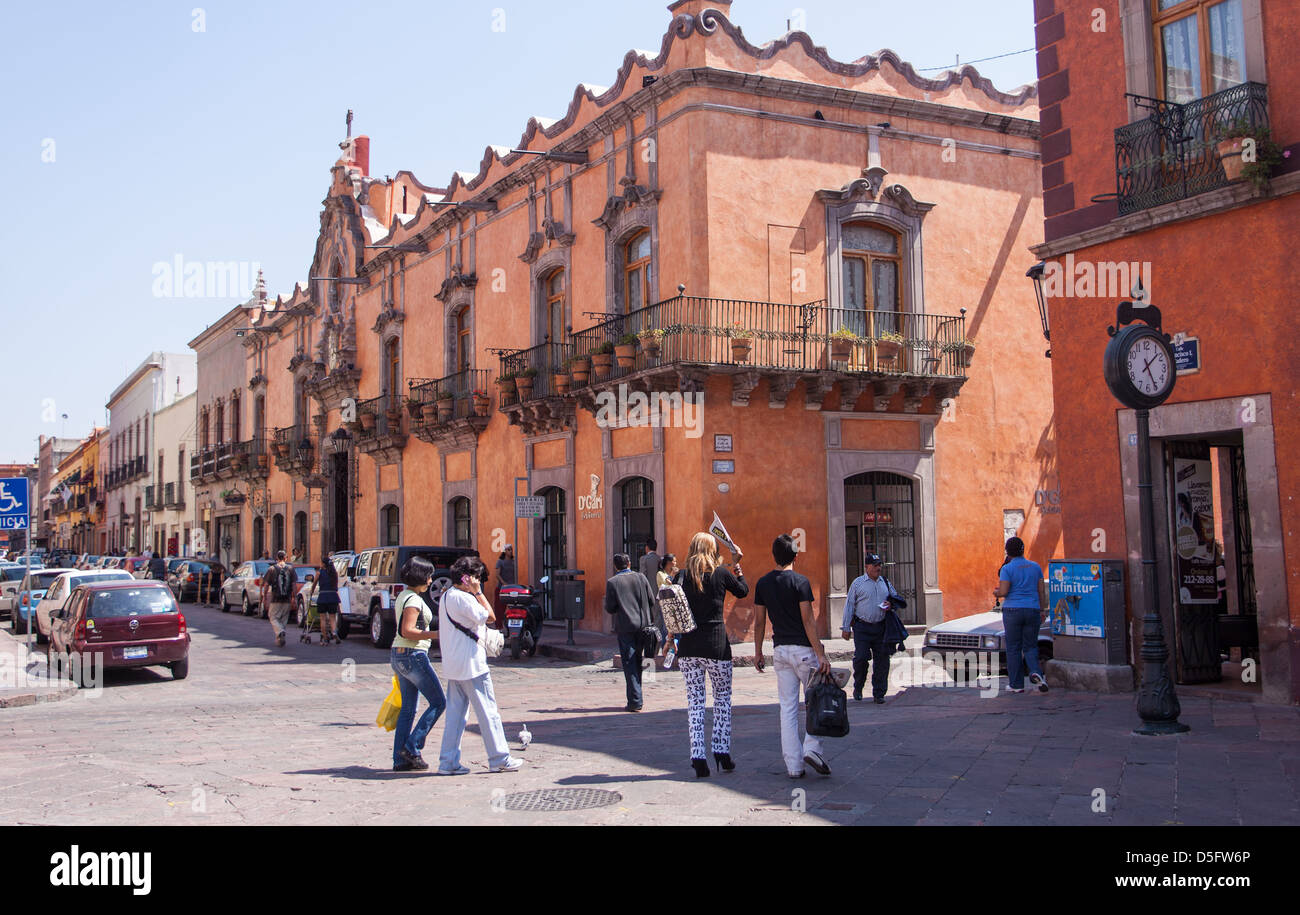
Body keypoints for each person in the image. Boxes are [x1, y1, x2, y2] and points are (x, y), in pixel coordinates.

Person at [754, 533, 832, 779]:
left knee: (787, 708)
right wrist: (821, 653)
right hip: (803, 651)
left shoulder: (763, 583)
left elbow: (758, 622)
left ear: (774, 556)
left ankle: (794, 766)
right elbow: (808, 621)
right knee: (815, 702)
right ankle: (811, 748)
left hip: (780, 651)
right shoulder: (801, 582)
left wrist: (758, 651)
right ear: (796, 556)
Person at [438, 555, 523, 775]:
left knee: (456, 716)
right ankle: (499, 758)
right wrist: (477, 592)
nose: (479, 580)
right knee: (488, 711)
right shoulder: (465, 598)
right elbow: (492, 617)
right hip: (472, 664)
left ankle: (447, 762)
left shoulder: (446, 595)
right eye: (476, 577)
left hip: (454, 665)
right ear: (468, 578)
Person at [674, 532, 747, 778]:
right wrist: (737, 566)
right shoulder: (721, 573)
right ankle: (721, 752)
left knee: (695, 702)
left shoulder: (681, 576)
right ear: (712, 549)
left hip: (688, 647)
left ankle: (698, 757)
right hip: (716, 645)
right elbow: (743, 591)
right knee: (722, 700)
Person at [389, 557, 447, 771]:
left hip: (399, 654)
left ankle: (400, 759)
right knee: (439, 702)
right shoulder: (413, 600)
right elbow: (408, 631)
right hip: (413, 654)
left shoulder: (403, 595)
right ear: (420, 577)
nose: (431, 580)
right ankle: (412, 747)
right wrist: (437, 634)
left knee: (408, 710)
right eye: (428, 576)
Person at [841, 553, 903, 704]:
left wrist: (891, 604)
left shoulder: (885, 583)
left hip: (881, 627)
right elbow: (849, 605)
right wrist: (846, 627)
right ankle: (858, 687)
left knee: (882, 661)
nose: (878, 568)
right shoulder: (858, 583)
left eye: (879, 565)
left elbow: (896, 599)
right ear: (866, 567)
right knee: (861, 658)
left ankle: (879, 693)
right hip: (862, 627)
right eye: (875, 565)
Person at [994, 536, 1049, 693]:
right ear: (1023, 550)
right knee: (1031, 646)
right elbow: (1041, 591)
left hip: (1012, 610)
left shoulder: (1007, 569)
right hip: (1032, 609)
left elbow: (1004, 591)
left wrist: (996, 593)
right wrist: (1042, 610)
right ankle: (1036, 673)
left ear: (1008, 552)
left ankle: (1016, 684)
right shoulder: (1035, 567)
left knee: (1013, 647)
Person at [604, 553, 657, 712]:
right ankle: (637, 695)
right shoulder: (641, 578)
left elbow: (610, 608)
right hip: (644, 626)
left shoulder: (613, 582)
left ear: (615, 566)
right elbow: (651, 600)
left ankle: (635, 701)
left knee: (630, 663)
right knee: (641, 661)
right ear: (629, 563)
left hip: (626, 628)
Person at [262, 550, 295, 647]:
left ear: (277, 558)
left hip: (275, 598)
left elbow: (266, 585)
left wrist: (264, 597)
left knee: (273, 617)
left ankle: (280, 632)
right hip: (287, 598)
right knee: (283, 619)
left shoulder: (272, 569)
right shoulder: (290, 569)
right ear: (285, 558)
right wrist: (294, 597)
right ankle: (280, 636)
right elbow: (293, 585)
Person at [315, 556, 341, 645]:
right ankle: (334, 632)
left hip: (322, 596)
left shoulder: (319, 573)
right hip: (333, 596)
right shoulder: (334, 573)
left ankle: (325, 638)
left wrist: (311, 592)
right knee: (332, 618)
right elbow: (336, 585)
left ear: (323, 564)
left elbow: (314, 584)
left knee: (323, 619)